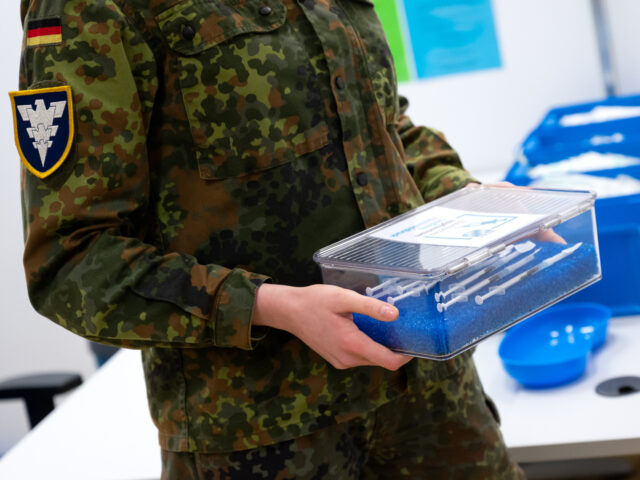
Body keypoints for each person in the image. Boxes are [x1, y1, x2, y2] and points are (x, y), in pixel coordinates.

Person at [13, 0, 524, 478]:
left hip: (431, 387)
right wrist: (272, 306)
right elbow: (71, 261)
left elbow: (381, 128)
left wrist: (465, 196)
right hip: (267, 431)